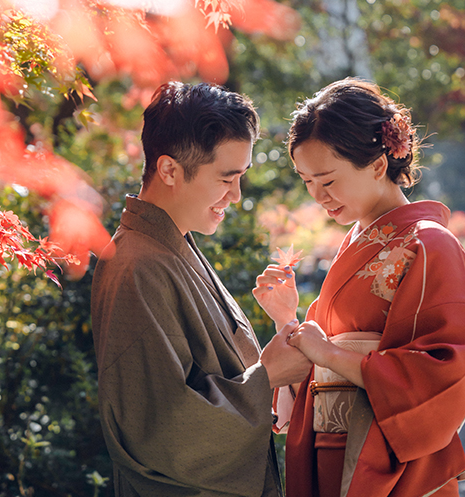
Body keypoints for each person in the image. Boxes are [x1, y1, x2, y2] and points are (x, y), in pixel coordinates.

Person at [253, 78, 465, 497]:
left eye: (328, 180)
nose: (318, 196)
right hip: (331, 452)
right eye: (306, 181)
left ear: (377, 165)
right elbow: (317, 364)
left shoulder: (429, 244)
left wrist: (330, 353)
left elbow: (446, 366)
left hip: (391, 463)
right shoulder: (355, 244)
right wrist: (288, 318)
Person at [91, 81, 312, 496]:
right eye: (226, 178)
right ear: (169, 170)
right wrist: (270, 375)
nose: (237, 194)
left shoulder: (172, 245)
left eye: (242, 176)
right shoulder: (136, 266)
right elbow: (160, 430)